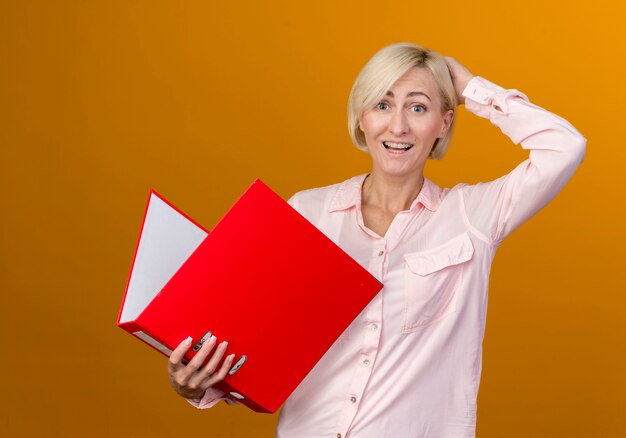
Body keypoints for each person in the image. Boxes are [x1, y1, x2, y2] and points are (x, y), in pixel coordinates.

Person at [167, 42, 586, 437]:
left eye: (418, 107)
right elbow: (258, 341)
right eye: (382, 105)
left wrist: (469, 87)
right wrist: (201, 385)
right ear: (362, 118)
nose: (398, 125)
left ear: (444, 121)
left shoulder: (473, 217)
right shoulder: (306, 213)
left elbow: (564, 147)